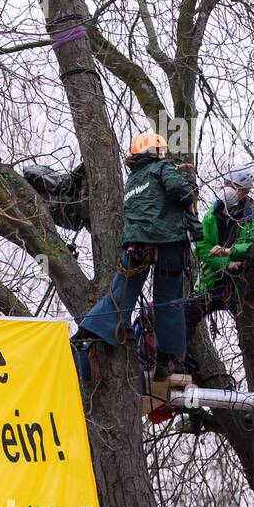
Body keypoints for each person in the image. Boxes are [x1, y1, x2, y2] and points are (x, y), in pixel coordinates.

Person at [74, 132, 198, 380]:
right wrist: (186, 182)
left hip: (136, 244)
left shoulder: (133, 181)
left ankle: (86, 333)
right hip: (168, 243)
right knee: (169, 300)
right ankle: (167, 359)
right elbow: (183, 192)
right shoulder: (162, 169)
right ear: (154, 152)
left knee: (122, 291)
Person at [184, 164, 254, 372]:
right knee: (187, 312)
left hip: (245, 285)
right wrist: (226, 263)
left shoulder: (253, 215)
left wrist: (229, 252)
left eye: (231, 185)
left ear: (243, 191)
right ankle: (183, 363)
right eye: (226, 184)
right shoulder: (213, 214)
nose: (227, 189)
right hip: (216, 281)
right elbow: (202, 247)